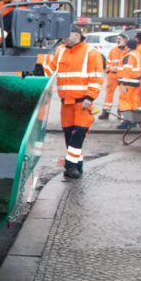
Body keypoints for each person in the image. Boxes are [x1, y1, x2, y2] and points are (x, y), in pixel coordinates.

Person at [44, 25, 103, 179]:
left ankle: (70, 166)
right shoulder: (61, 51)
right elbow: (50, 70)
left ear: (77, 35)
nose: (63, 38)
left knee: (79, 133)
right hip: (66, 103)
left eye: (66, 35)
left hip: (82, 102)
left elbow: (96, 78)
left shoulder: (91, 53)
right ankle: (78, 165)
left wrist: (90, 97)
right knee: (70, 135)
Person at [98, 33, 127, 119]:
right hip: (113, 75)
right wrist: (108, 71)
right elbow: (108, 61)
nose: (117, 40)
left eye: (119, 38)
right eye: (117, 38)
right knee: (109, 93)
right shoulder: (114, 49)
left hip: (122, 76)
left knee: (123, 94)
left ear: (125, 40)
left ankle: (121, 112)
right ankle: (106, 111)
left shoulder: (127, 50)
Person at [116, 39, 141, 129]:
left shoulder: (129, 56)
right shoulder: (137, 54)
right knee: (133, 101)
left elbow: (127, 70)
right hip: (135, 82)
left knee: (124, 102)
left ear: (128, 46)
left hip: (128, 83)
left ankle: (125, 122)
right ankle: (133, 121)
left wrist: (124, 84)